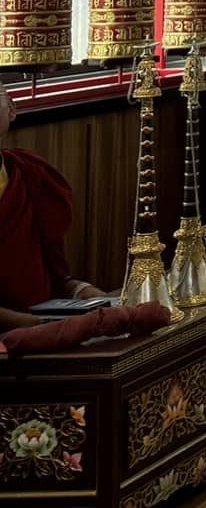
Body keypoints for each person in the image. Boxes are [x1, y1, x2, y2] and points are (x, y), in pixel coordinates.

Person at [0, 90, 107, 331]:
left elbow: (55, 272)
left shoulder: (29, 173)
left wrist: (79, 290)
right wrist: (22, 322)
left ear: (11, 108)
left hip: (42, 319)